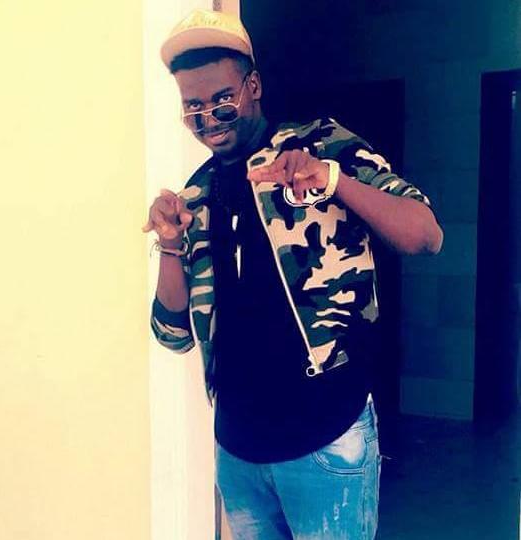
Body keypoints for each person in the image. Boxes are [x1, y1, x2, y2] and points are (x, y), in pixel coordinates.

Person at [143, 9, 443, 540]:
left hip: (327, 440)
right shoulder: (198, 194)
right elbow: (172, 334)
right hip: (238, 455)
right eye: (193, 107)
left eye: (222, 99)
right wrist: (169, 243)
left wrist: (333, 181)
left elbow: (425, 235)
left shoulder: (322, 147)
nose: (209, 118)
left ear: (253, 86)